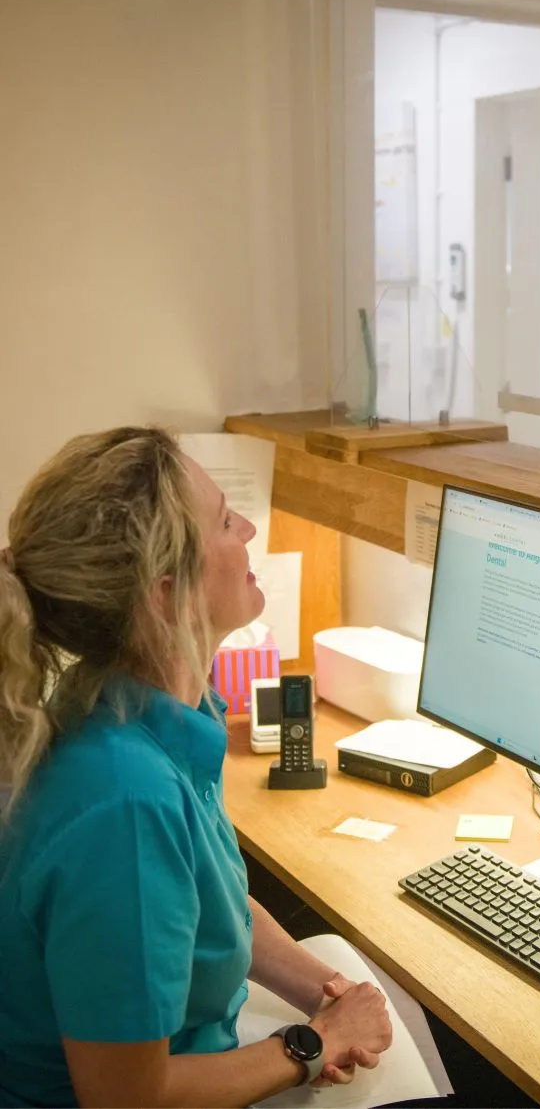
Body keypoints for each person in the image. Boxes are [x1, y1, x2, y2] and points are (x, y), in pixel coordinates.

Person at [0, 427, 393, 1107]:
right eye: (222, 521)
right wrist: (311, 1044)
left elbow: (206, 903)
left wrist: (323, 989)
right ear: (164, 594)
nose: (244, 526)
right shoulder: (125, 803)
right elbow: (129, 1101)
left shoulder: (138, 712)